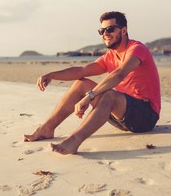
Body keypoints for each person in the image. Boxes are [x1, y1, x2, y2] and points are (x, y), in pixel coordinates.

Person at [24, 11, 161, 155]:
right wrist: (52, 75)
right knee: (81, 83)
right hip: (122, 115)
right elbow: (83, 70)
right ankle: (47, 128)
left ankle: (74, 141)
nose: (105, 34)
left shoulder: (137, 49)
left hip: (145, 116)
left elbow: (119, 73)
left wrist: (90, 96)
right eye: (102, 31)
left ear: (124, 30)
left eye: (110, 29)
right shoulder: (110, 56)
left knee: (109, 95)